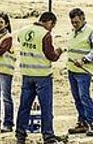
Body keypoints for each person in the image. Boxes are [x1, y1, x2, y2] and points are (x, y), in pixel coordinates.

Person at [15, 12, 65, 144]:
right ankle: (48, 135)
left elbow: (20, 42)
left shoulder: (23, 31)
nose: (51, 29)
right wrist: (59, 51)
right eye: (52, 26)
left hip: (27, 75)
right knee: (46, 107)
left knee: (24, 106)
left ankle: (20, 135)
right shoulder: (45, 35)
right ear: (50, 22)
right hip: (42, 76)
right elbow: (51, 56)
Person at [66, 8, 93, 137]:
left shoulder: (91, 32)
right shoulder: (72, 32)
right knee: (77, 98)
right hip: (72, 70)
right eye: (72, 22)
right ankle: (82, 122)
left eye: (76, 22)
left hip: (83, 71)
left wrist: (85, 59)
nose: (74, 24)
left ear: (83, 19)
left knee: (84, 97)